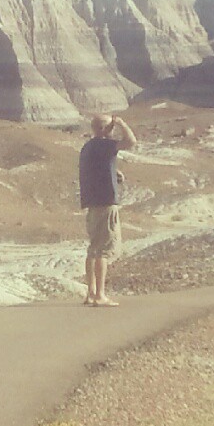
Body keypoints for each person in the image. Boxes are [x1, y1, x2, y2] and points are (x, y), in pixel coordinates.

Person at [79, 114, 137, 306]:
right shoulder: (105, 145)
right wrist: (121, 122)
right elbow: (131, 142)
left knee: (93, 248)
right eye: (110, 126)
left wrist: (114, 173)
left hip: (92, 203)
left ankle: (90, 292)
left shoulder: (87, 147)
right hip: (106, 202)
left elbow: (94, 169)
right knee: (103, 250)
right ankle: (100, 295)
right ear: (105, 128)